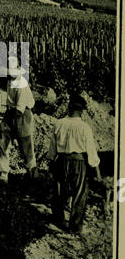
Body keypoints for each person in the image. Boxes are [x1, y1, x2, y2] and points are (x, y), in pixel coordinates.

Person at [47, 93, 101, 235]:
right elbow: (91, 150)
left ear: (69, 108)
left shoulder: (58, 123)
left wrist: (51, 160)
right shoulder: (84, 127)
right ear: (81, 111)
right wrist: (96, 168)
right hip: (78, 162)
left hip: (61, 161)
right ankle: (74, 227)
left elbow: (52, 148)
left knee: (60, 191)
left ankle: (58, 219)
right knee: (79, 194)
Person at [0, 56, 37, 184]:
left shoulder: (21, 85)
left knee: (26, 146)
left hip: (22, 115)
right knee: (3, 142)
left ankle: (32, 174)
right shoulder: (10, 81)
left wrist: (12, 126)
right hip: (12, 112)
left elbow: (19, 109)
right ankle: (4, 173)